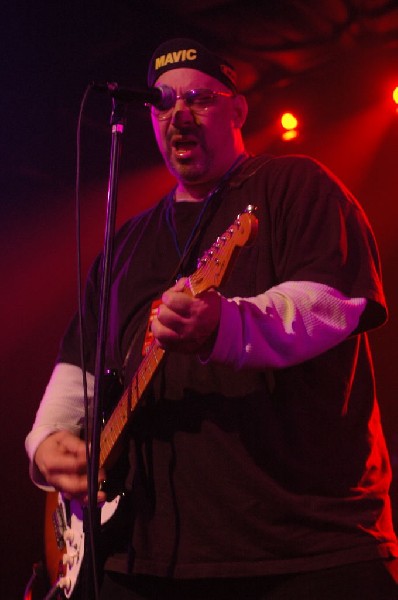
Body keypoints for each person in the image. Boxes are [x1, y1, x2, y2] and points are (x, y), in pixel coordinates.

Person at [26, 38, 398, 599]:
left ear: (238, 110)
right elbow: (79, 364)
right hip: (142, 557)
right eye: (163, 103)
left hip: (303, 548)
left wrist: (225, 325)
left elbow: (329, 304)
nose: (179, 115)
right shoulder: (125, 241)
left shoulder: (295, 185)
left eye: (198, 98)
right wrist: (46, 441)